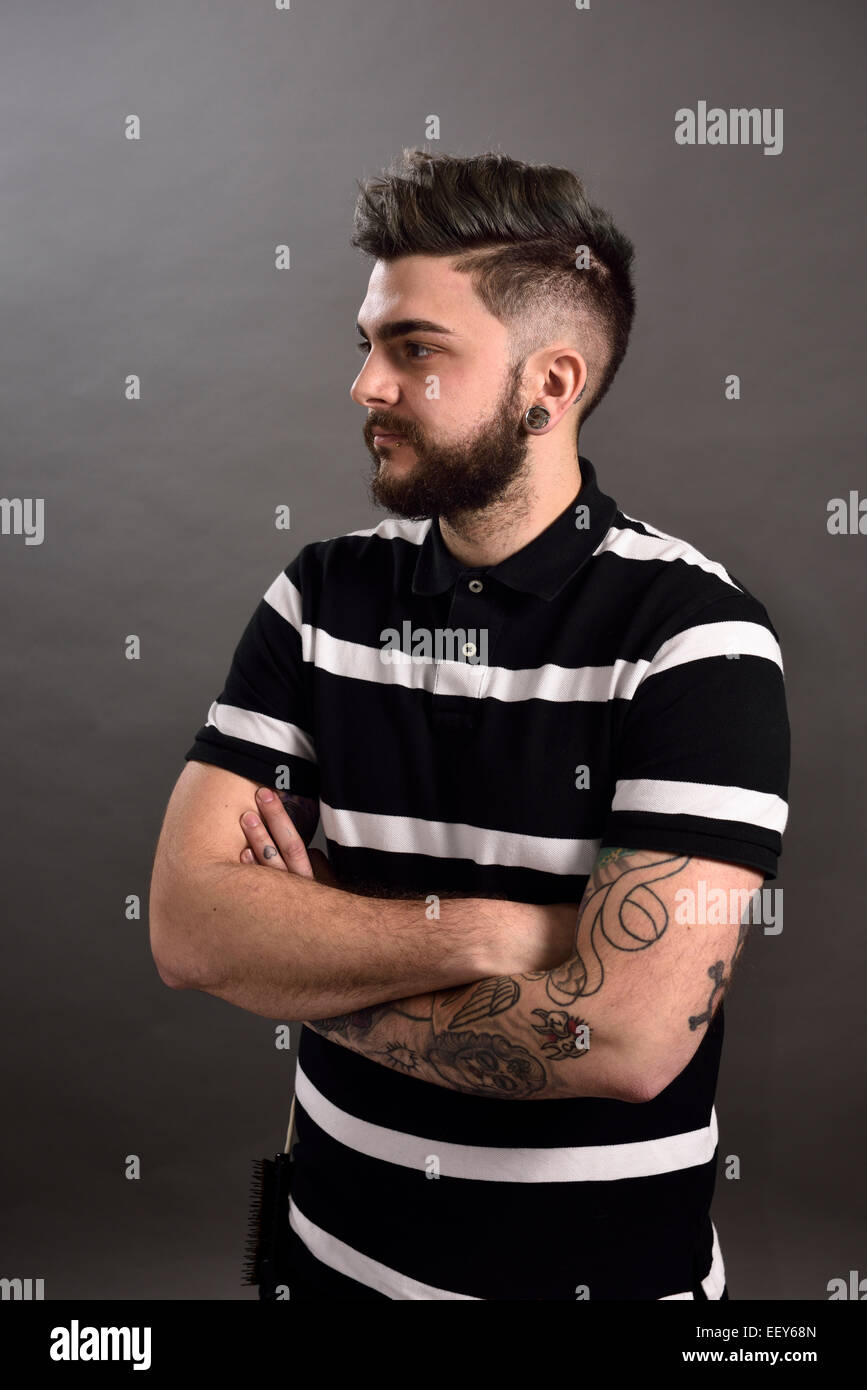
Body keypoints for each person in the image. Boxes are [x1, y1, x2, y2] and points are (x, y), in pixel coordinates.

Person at [149, 148, 790, 1301]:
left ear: (551, 382)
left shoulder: (698, 642)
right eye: (368, 344)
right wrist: (495, 932)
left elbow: (630, 1041)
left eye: (416, 349)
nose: (366, 386)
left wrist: (306, 960)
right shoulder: (319, 598)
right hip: (323, 1268)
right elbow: (192, 930)